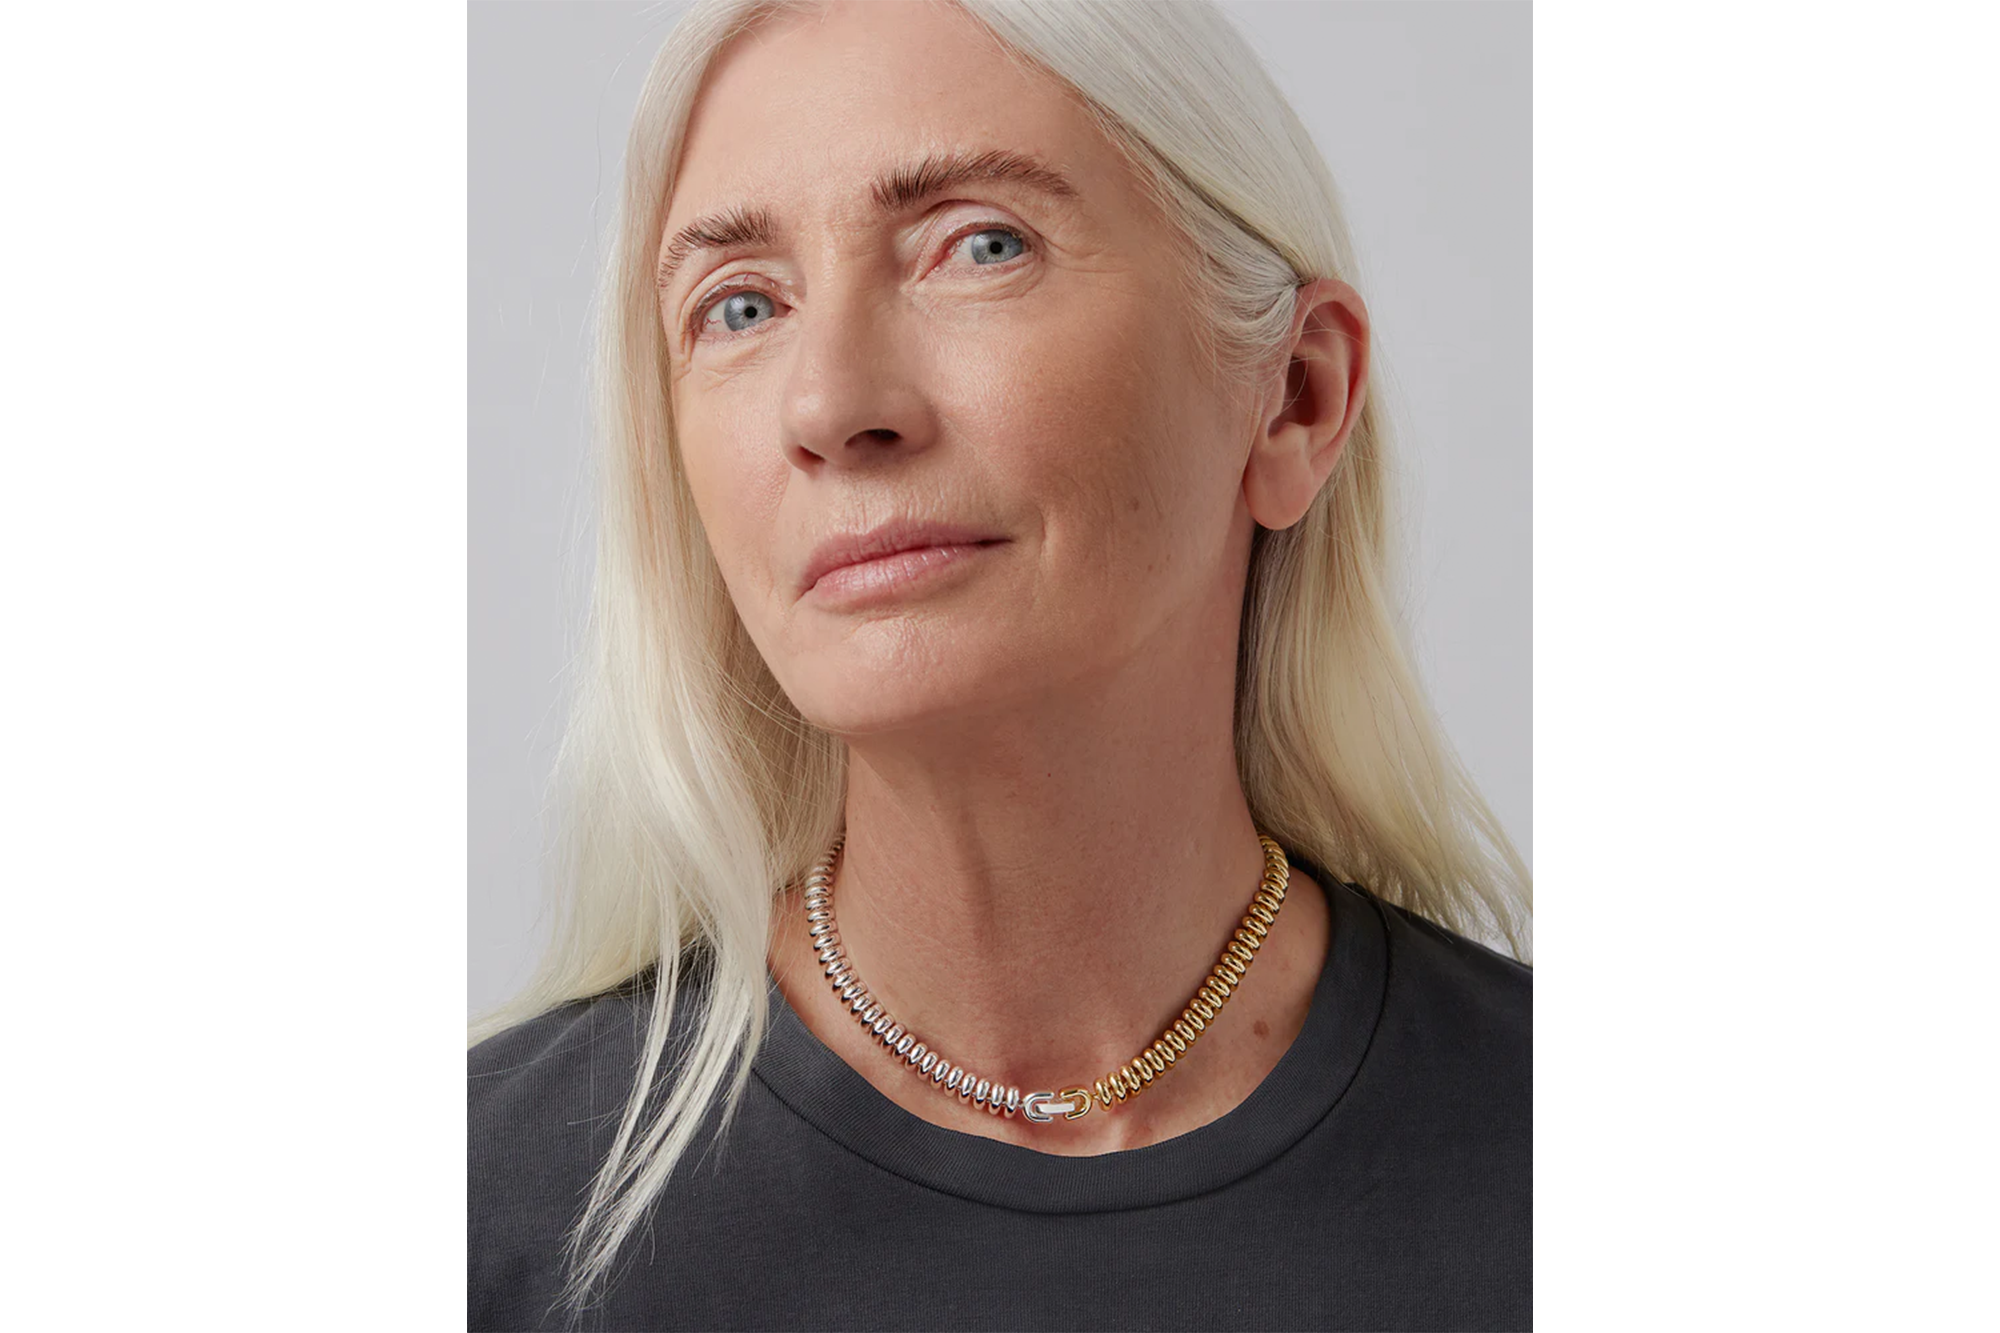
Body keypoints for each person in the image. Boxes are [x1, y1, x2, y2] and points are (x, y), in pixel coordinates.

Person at [469, 1, 1532, 1328]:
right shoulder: (481, 1224)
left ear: (1296, 397)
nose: (832, 403)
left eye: (981, 244)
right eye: (740, 305)